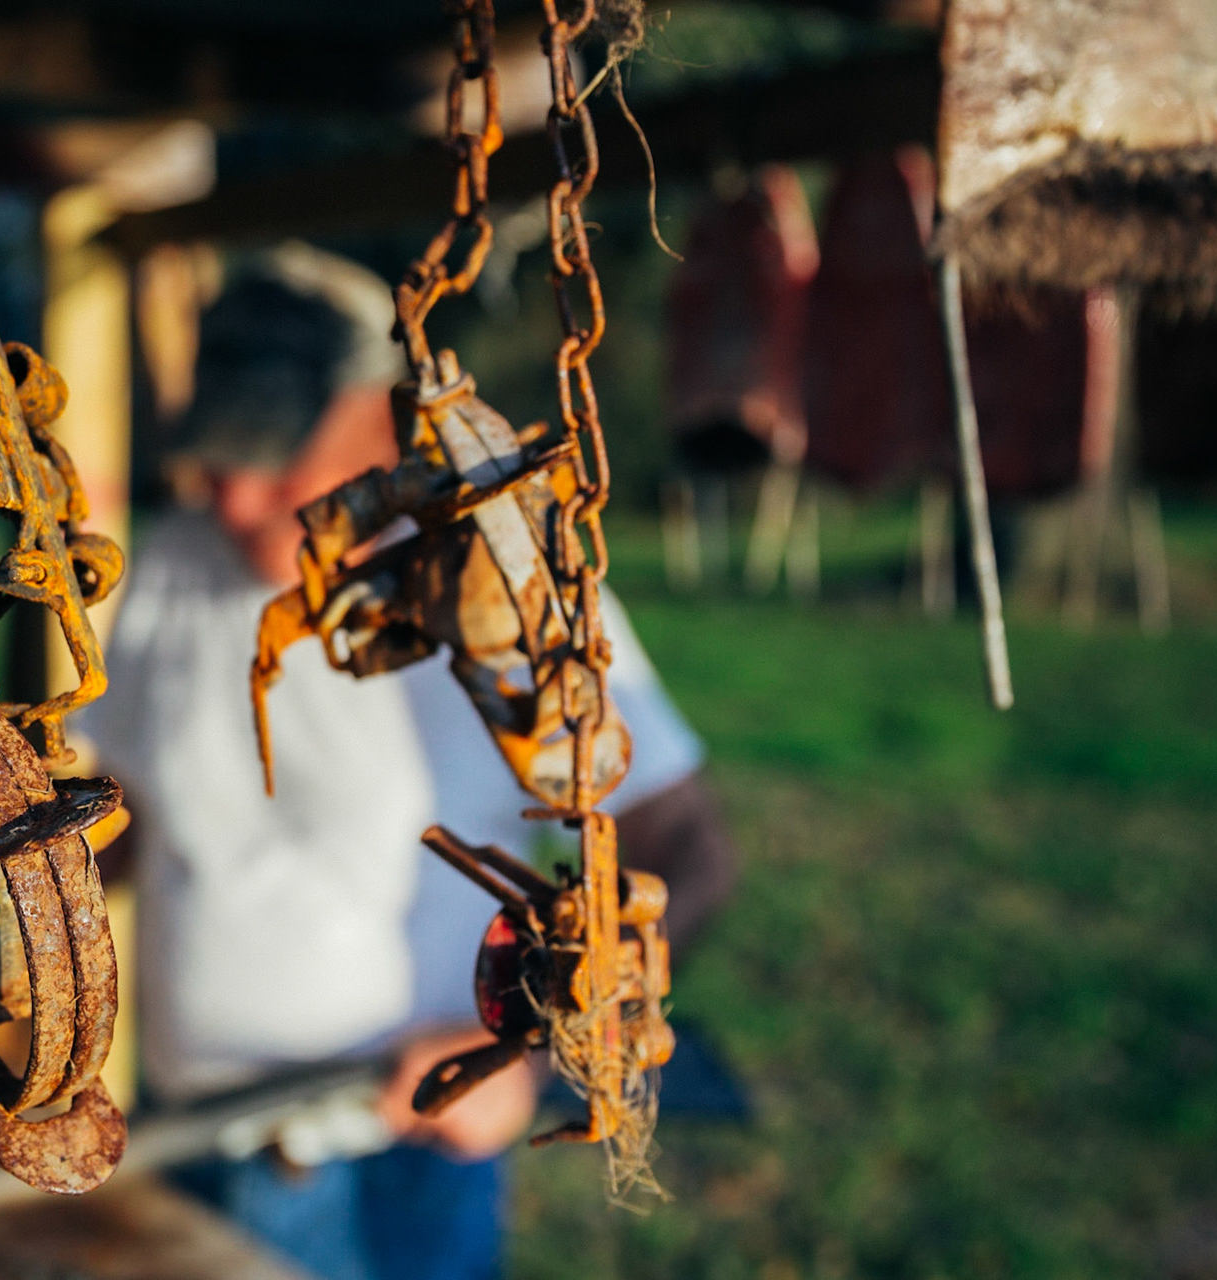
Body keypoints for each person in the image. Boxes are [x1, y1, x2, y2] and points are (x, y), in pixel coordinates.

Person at [76, 243, 740, 1280]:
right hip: (196, 1131)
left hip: (406, 1153)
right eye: (221, 455)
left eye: (275, 456)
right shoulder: (175, 560)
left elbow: (688, 851)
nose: (241, 499)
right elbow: (131, 814)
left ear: (378, 421)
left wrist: (546, 1040)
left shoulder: (510, 596)